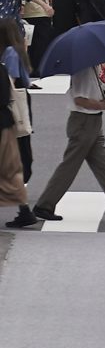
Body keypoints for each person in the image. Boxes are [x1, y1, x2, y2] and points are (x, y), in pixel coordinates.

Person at [32, 63, 105, 224]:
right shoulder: (83, 70)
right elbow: (80, 100)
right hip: (84, 122)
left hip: (92, 122)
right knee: (69, 166)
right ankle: (44, 205)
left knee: (104, 165)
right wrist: (101, 105)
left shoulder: (91, 68)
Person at [1, 58, 37, 229]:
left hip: (4, 125)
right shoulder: (3, 67)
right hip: (7, 123)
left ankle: (25, 211)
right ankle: (24, 211)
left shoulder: (9, 58)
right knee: (12, 169)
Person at [0, 20, 33, 187]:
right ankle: (21, 176)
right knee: (22, 138)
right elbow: (16, 77)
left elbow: (11, 76)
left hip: (11, 96)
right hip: (18, 96)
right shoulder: (15, 51)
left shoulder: (9, 52)